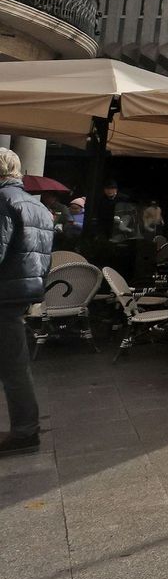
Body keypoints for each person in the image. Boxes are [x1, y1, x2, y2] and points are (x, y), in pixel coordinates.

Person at [0, 149, 51, 456]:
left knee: (14, 365)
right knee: (13, 362)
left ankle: (25, 430)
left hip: (3, 292)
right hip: (21, 292)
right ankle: (25, 429)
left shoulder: (3, 201)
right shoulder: (36, 205)